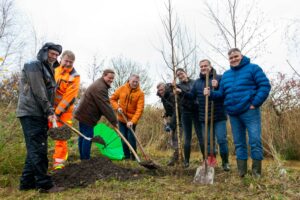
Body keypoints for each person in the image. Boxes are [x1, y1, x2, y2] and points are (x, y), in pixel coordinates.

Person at [204, 48, 271, 178]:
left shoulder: (253, 68)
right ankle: (242, 173)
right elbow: (222, 94)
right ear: (228, 60)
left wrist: (255, 103)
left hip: (249, 111)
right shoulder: (226, 75)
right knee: (239, 143)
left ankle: (256, 174)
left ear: (241, 56)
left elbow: (265, 85)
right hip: (233, 114)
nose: (233, 59)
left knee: (255, 141)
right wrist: (211, 93)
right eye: (231, 58)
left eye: (236, 56)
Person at [16, 42, 64, 193]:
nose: (54, 56)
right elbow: (38, 90)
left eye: (57, 55)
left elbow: (50, 92)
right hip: (31, 112)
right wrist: (50, 110)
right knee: (39, 149)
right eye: (52, 53)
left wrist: (50, 112)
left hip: (40, 113)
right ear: (44, 51)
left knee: (35, 148)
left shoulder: (48, 69)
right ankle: (44, 184)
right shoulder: (33, 65)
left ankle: (26, 183)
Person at [193, 60, 230, 171]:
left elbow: (225, 94)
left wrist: (217, 86)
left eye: (205, 66)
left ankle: (225, 162)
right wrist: (180, 92)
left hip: (219, 116)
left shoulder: (219, 78)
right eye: (201, 66)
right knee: (208, 141)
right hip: (205, 117)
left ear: (210, 66)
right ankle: (211, 161)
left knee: (221, 140)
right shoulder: (197, 82)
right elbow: (191, 95)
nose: (203, 68)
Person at [74, 69, 118, 160]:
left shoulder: (100, 84)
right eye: (109, 78)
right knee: (87, 137)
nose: (111, 80)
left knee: (83, 136)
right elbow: (105, 106)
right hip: (87, 115)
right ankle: (85, 159)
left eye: (112, 79)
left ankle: (83, 158)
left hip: (83, 113)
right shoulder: (101, 87)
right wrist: (114, 121)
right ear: (104, 75)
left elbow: (101, 104)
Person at [51, 50, 80, 170]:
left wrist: (57, 113)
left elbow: (68, 98)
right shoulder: (54, 70)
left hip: (63, 113)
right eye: (66, 61)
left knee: (61, 137)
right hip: (48, 110)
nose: (68, 64)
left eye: (71, 62)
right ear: (61, 59)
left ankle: (59, 165)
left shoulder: (75, 76)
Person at [110, 74, 145, 160]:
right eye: (133, 81)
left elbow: (139, 109)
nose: (135, 83)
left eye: (137, 82)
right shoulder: (122, 88)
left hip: (131, 120)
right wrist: (117, 108)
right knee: (123, 138)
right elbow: (112, 99)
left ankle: (134, 157)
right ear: (129, 81)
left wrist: (132, 121)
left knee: (131, 138)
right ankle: (126, 156)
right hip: (121, 118)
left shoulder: (140, 94)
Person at [175, 68, 204, 168]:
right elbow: (168, 90)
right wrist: (172, 86)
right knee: (187, 137)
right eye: (178, 75)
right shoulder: (177, 86)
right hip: (186, 113)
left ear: (186, 73)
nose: (180, 75)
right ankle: (186, 161)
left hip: (197, 111)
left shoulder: (195, 82)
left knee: (201, 136)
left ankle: (205, 159)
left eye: (181, 73)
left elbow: (196, 94)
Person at [157, 82, 181, 166]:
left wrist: (171, 124)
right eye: (159, 90)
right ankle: (177, 158)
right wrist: (166, 114)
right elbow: (169, 109)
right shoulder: (163, 98)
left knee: (177, 139)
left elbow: (176, 110)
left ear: (165, 88)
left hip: (179, 118)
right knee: (174, 140)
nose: (161, 91)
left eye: (162, 89)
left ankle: (178, 159)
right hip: (173, 118)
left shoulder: (171, 95)